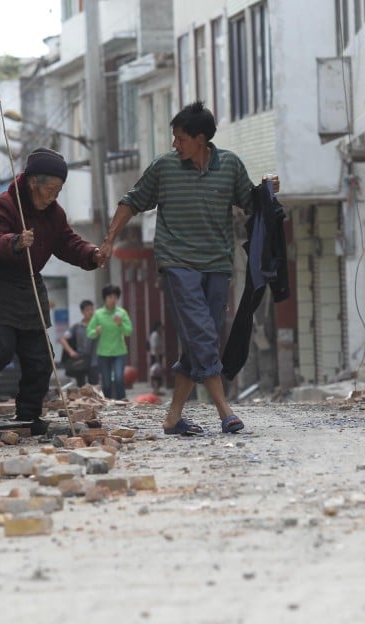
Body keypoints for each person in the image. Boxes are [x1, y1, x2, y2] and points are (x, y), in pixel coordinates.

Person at [96, 101, 279, 435]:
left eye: (180, 138)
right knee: (203, 333)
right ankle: (224, 410)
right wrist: (109, 239)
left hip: (217, 264)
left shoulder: (231, 166)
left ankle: (173, 417)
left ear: (200, 139)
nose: (174, 145)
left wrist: (267, 190)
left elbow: (251, 203)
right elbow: (131, 201)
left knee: (198, 339)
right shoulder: (164, 168)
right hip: (177, 261)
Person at [0, 148, 102, 435]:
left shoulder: (55, 214)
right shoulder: (5, 204)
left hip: (27, 287)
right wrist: (13, 242)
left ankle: (28, 415)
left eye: (58, 191)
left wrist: (92, 254)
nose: (53, 196)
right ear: (32, 183)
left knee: (41, 357)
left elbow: (68, 243)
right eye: (49, 189)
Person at [86, 284, 132, 400]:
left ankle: (122, 402)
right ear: (105, 298)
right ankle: (108, 403)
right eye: (110, 297)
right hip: (103, 353)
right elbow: (89, 332)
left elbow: (129, 332)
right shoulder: (98, 314)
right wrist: (96, 331)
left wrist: (120, 323)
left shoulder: (121, 313)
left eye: (115, 297)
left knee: (119, 378)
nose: (113, 300)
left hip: (119, 352)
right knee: (106, 382)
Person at [60, 299, 99, 387]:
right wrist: (71, 351)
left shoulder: (98, 326)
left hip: (94, 361)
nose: (90, 312)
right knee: (82, 387)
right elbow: (63, 339)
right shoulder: (76, 327)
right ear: (82, 311)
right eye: (87, 309)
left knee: (95, 387)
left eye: (92, 309)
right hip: (80, 360)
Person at [148, 320, 164, 393]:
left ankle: (157, 389)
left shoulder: (158, 334)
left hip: (157, 355)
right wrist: (157, 359)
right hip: (155, 356)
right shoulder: (155, 335)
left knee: (157, 373)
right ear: (158, 327)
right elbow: (155, 347)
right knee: (155, 373)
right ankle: (155, 389)